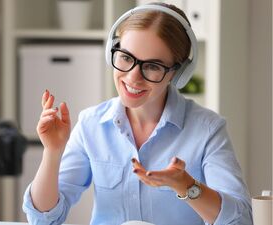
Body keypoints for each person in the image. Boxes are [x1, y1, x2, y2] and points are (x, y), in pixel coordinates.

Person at [22, 2, 252, 225]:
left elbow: (240, 221)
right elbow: (43, 218)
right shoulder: (91, 124)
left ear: (177, 73)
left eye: (152, 66)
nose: (133, 77)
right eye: (126, 57)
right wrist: (52, 152)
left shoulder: (208, 129)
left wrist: (186, 185)